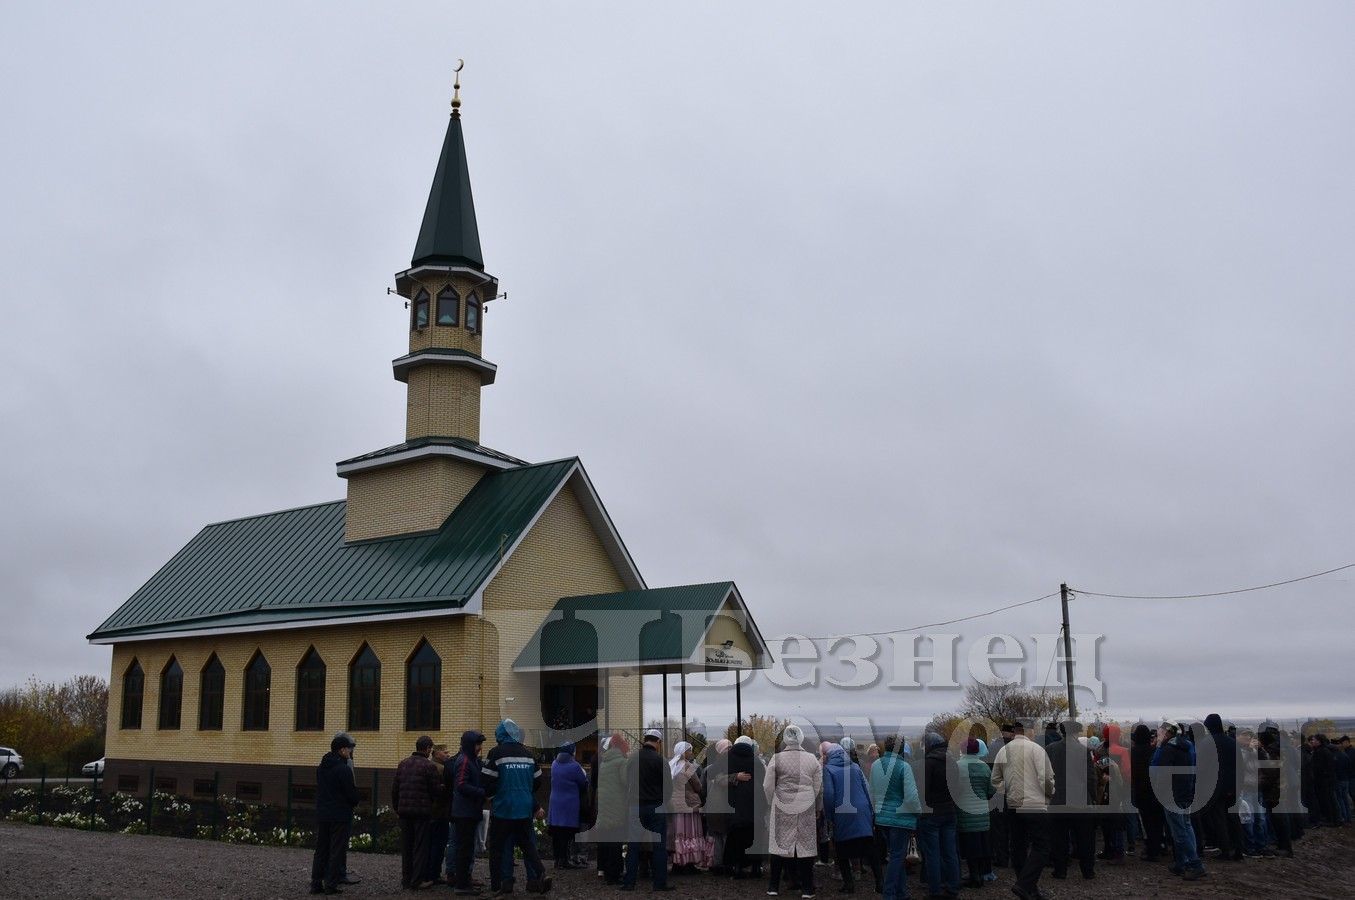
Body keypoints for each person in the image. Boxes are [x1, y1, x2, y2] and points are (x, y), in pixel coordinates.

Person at [485, 718, 551, 895]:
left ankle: (500, 885)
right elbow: (538, 781)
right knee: (528, 845)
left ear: (500, 734)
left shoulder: (496, 753)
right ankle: (539, 875)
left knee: (499, 847)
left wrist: (493, 796)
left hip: (504, 809)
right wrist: (524, 792)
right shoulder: (528, 755)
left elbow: (487, 781)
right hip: (524, 809)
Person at [990, 721, 1054, 900]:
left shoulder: (1004, 750)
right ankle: (1024, 885)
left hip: (1013, 804)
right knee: (1042, 846)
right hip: (1034, 804)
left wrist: (1008, 789)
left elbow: (994, 779)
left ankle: (1028, 889)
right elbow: (1046, 778)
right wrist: (1049, 793)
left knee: (1018, 846)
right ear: (1029, 731)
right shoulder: (1036, 750)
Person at [764, 725, 822, 898]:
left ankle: (773, 886)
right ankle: (807, 888)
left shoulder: (777, 758)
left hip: (782, 804)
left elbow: (767, 785)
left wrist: (772, 801)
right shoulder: (812, 759)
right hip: (806, 805)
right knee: (805, 845)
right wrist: (817, 807)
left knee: (779, 845)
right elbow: (819, 787)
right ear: (801, 738)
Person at [821, 740, 881, 893]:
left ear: (829, 755)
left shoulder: (828, 769)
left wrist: (829, 816)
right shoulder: (855, 767)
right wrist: (870, 811)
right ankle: (880, 883)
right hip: (862, 810)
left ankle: (849, 884)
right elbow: (866, 789)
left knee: (841, 850)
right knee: (870, 847)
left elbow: (828, 795)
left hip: (842, 812)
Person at [1151, 720, 1206, 881]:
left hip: (1170, 795)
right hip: (1186, 793)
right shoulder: (1189, 746)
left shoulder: (1167, 749)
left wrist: (1159, 747)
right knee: (1187, 827)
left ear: (1167, 733)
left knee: (1179, 831)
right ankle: (1182, 863)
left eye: (1160, 732)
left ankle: (1196, 865)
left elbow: (1157, 771)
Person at [622, 728, 673, 891]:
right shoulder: (661, 760)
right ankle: (659, 883)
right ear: (658, 742)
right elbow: (669, 788)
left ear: (645, 740)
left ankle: (629, 883)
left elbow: (625, 781)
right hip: (656, 806)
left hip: (635, 807)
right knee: (659, 847)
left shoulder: (632, 759)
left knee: (633, 846)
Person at [1044, 721, 1096, 881]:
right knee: (1085, 839)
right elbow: (1090, 778)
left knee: (1059, 839)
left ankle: (1060, 871)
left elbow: (1046, 776)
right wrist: (1093, 798)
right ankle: (1087, 871)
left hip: (1057, 800)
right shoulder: (1084, 751)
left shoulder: (1050, 749)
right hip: (1080, 801)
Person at [868, 736, 918, 900]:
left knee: (896, 855)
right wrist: (918, 812)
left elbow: (872, 792)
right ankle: (889, 894)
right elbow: (911, 797)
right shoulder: (904, 766)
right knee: (897, 857)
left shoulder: (875, 765)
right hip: (900, 819)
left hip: (882, 818)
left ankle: (902, 893)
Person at [311, 732, 360, 895]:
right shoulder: (343, 769)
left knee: (321, 849)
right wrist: (354, 801)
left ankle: (316, 883)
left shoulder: (322, 767)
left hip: (323, 813)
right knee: (336, 850)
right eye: (347, 749)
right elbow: (351, 795)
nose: (349, 752)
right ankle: (331, 884)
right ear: (341, 750)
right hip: (340, 815)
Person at [393, 735, 443, 890]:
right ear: (428, 749)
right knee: (420, 847)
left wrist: (397, 808)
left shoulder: (403, 764)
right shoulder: (429, 766)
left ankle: (406, 879)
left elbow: (395, 789)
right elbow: (435, 791)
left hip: (404, 812)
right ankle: (417, 880)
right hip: (421, 813)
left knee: (407, 846)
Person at [447, 730, 487, 895]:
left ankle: (464, 881)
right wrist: (481, 792)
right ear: (470, 744)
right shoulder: (464, 761)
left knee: (466, 847)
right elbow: (461, 784)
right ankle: (462, 885)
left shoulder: (471, 760)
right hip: (464, 813)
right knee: (464, 848)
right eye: (477, 744)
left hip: (468, 811)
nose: (479, 748)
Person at [1200, 713, 1244, 860]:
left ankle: (1225, 850)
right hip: (1233, 786)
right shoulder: (1232, 742)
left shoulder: (1207, 743)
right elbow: (1240, 765)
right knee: (1233, 817)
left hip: (1215, 787)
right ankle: (1238, 850)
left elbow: (1203, 767)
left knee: (1219, 819)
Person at [955, 738, 995, 888]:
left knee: (970, 846)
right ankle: (981, 874)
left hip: (964, 812)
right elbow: (991, 790)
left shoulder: (958, 766)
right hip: (982, 813)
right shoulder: (984, 767)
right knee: (981, 845)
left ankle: (974, 876)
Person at [668, 740, 713, 870]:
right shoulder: (688, 766)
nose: (691, 753)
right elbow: (698, 786)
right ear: (683, 753)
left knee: (678, 834)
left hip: (675, 805)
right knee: (690, 833)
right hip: (689, 804)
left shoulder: (671, 765)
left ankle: (677, 861)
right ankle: (689, 862)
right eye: (689, 750)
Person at [726, 735, 766, 879]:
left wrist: (735, 777)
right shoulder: (757, 761)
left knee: (736, 836)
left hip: (734, 804)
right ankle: (756, 867)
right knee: (755, 836)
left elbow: (717, 779)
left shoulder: (728, 759)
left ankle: (737, 867)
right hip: (755, 803)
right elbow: (764, 782)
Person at [593, 733, 631, 884]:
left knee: (608, 842)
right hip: (617, 807)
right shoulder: (621, 762)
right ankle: (613, 876)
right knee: (616, 843)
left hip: (604, 807)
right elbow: (626, 782)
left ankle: (608, 872)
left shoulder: (604, 762)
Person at [547, 742, 589, 870]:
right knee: (566, 833)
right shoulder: (575, 766)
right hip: (569, 804)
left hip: (555, 802)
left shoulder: (554, 764)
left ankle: (557, 860)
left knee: (556, 832)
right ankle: (564, 860)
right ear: (572, 752)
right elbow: (583, 783)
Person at [1129, 724, 1164, 861]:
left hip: (1141, 792)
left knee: (1147, 823)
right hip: (1156, 790)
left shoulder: (1133, 752)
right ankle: (1159, 846)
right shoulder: (1154, 751)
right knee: (1158, 821)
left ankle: (1151, 850)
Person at [1256, 726, 1293, 857]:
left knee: (1279, 819)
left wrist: (1258, 785)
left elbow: (1270, 774)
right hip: (1280, 788)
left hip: (1275, 791)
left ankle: (1285, 848)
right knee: (1281, 818)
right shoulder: (1277, 750)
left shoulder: (1271, 752)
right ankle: (1283, 845)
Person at [701, 739, 734, 875]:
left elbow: (702, 790)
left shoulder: (708, 769)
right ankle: (725, 864)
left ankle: (716, 863)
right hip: (724, 807)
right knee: (725, 835)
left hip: (712, 807)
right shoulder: (727, 768)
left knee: (716, 836)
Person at [424, 744, 453, 886]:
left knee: (430, 844)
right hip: (439, 812)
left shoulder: (429, 766)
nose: (448, 754)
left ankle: (428, 873)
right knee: (438, 844)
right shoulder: (441, 769)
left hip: (430, 812)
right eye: (445, 752)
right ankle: (434, 874)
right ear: (435, 753)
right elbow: (444, 792)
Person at [1336, 736, 1354, 825]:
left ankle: (1347, 817)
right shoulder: (1346, 753)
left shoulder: (1351, 752)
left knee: (1349, 796)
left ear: (1346, 742)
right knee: (1347, 797)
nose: (1341, 745)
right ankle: (1349, 816)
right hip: (1348, 778)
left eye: (1342, 743)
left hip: (1350, 777)